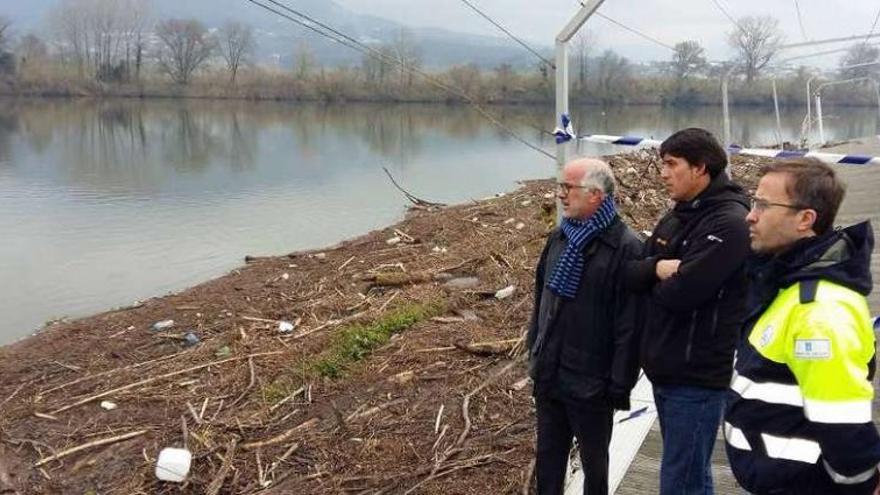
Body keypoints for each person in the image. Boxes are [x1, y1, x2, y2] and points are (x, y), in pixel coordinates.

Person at [724, 158, 880, 494]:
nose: (750, 215)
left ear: (805, 219)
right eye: (754, 202)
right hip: (778, 480)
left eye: (763, 205)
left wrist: (864, 486)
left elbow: (843, 422)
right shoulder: (783, 284)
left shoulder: (819, 313)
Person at [625, 127, 751, 494]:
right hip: (664, 367)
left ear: (700, 168)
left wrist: (654, 276)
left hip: (695, 374)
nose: (662, 173)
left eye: (671, 164)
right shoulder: (681, 214)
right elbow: (632, 272)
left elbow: (679, 294)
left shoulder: (728, 222)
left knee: (680, 479)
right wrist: (657, 270)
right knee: (691, 474)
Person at [526, 157, 642, 495]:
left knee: (595, 467)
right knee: (548, 460)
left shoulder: (626, 248)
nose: (560, 195)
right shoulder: (560, 238)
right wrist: (535, 348)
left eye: (568, 188)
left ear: (595, 195)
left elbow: (629, 325)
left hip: (592, 383)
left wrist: (619, 385)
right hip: (550, 374)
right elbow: (541, 298)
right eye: (560, 186)